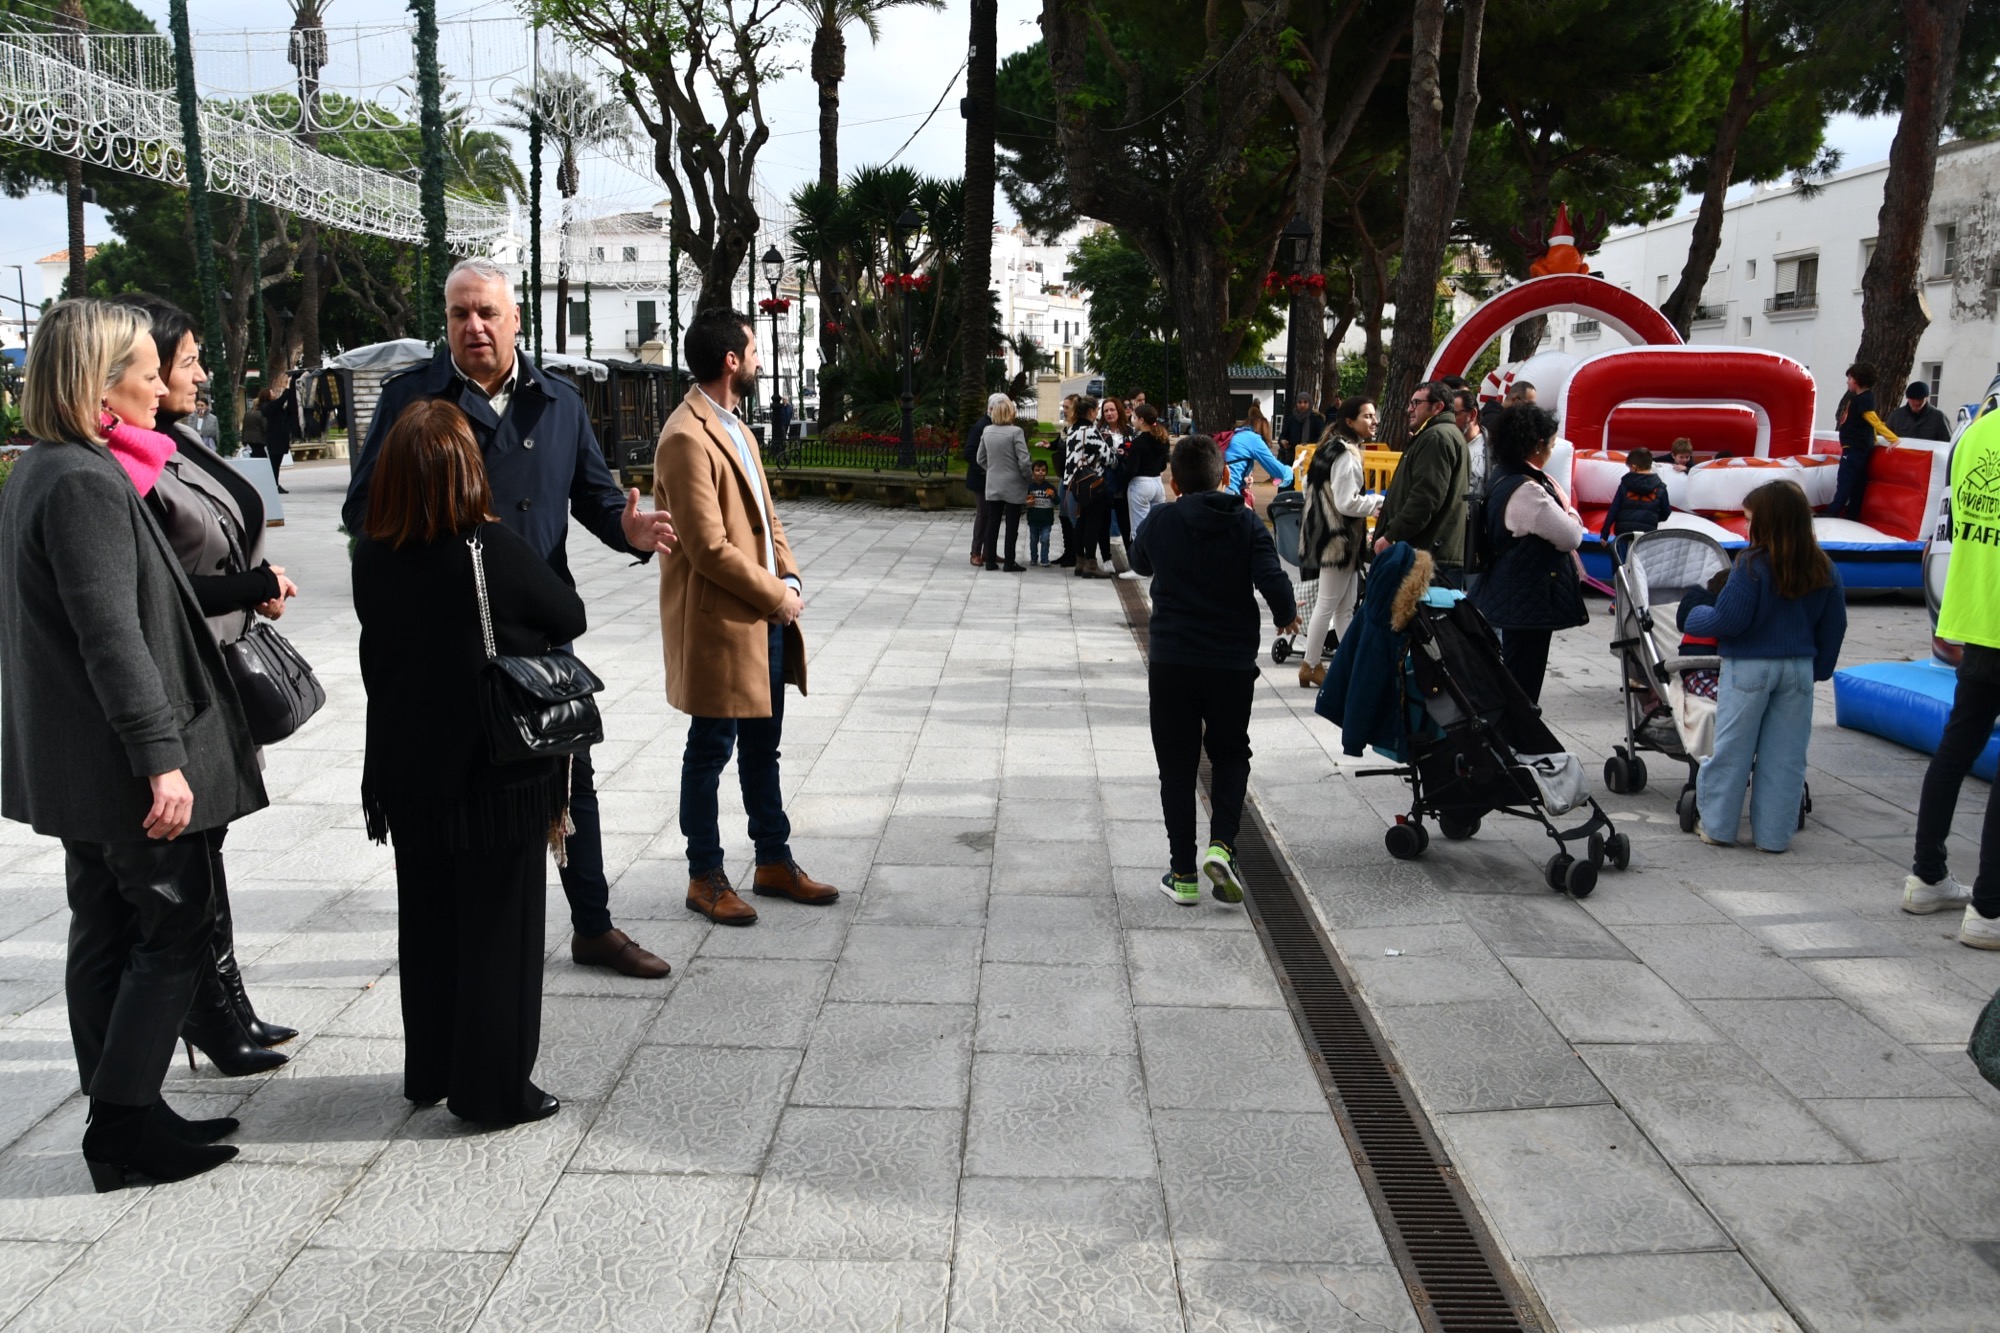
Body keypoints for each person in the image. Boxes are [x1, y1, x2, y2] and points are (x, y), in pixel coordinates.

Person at [343, 258, 678, 980]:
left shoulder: (558, 402)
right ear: (446, 322)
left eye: (488, 312)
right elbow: (364, 508)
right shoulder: (411, 398)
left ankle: (594, 925)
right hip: (446, 640)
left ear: (515, 319)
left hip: (534, 634)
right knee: (459, 790)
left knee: (568, 777)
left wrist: (630, 533)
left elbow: (595, 496)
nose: (474, 326)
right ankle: (469, 937)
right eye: (460, 313)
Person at [1, 299, 267, 1189]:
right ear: (98, 383)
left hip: (81, 761)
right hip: (116, 764)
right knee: (175, 924)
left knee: (107, 927)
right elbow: (110, 635)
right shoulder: (80, 480)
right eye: (147, 373)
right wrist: (161, 757)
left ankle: (127, 1106)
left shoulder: (45, 468)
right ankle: (121, 1125)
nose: (161, 388)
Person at [355, 399, 581, 1125]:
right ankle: (492, 1088)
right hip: (492, 771)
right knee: (497, 928)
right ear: (466, 471)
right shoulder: (490, 547)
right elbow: (568, 614)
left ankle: (433, 1067)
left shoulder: (372, 556)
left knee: (427, 922)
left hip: (407, 768)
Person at [113, 293, 298, 1076]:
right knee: (191, 854)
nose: (193, 376)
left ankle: (227, 1002)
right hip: (180, 675)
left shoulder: (172, 440)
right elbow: (157, 587)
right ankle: (209, 1013)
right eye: (183, 362)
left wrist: (254, 585)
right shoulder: (126, 464)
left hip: (218, 659)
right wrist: (251, 583)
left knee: (211, 842)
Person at [655, 308, 839, 927]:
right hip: (723, 624)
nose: (760, 359)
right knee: (710, 750)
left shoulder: (737, 428)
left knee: (764, 748)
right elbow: (707, 548)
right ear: (732, 360)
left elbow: (767, 518)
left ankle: (773, 861)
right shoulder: (685, 436)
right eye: (754, 350)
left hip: (764, 616)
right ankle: (704, 875)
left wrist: (790, 576)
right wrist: (774, 595)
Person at [1130, 434, 1297, 906]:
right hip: (1230, 662)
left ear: (1175, 484)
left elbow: (1140, 563)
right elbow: (1272, 578)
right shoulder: (1246, 521)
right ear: (1225, 476)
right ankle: (1222, 845)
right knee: (1230, 753)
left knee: (1176, 766)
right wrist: (1286, 614)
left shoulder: (1162, 519)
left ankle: (1183, 873)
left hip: (1173, 660)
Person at [1684, 480, 1847, 853]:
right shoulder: (1824, 567)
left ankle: (1718, 827)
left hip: (1749, 668)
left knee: (1733, 750)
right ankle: (1774, 837)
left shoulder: (1751, 564)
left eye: (1750, 519)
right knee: (1786, 757)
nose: (1746, 526)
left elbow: (1729, 620)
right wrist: (1819, 669)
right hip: (1799, 669)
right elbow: (1835, 626)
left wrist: (1694, 615)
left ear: (1768, 521)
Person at [1904, 408, 2000, 946]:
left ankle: (1927, 876)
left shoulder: (1976, 432)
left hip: (1975, 615)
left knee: (1955, 750)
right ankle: (1990, 909)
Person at [1472, 405, 1589, 702]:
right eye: (1551, 443)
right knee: (1523, 680)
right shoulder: (1528, 491)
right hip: (1528, 596)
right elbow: (1571, 535)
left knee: (1517, 671)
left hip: (1515, 591)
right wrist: (1572, 513)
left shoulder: (1504, 475)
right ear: (1538, 445)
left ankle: (1516, 727)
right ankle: (1518, 730)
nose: (1551, 450)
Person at [1296, 397, 1382, 689]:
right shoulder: (1346, 453)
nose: (1374, 421)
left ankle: (1348, 666)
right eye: (1367, 416)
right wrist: (1377, 501)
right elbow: (1347, 503)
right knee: (1329, 605)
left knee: (1342, 608)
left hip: (1331, 537)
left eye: (1374, 415)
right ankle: (1311, 664)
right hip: (1339, 539)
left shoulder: (1330, 448)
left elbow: (1312, 489)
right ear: (1350, 421)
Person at [1373, 381, 1470, 584]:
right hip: (1431, 553)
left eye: (1416, 403)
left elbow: (1425, 498)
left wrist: (1392, 534)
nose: (1409, 409)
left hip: (1429, 556)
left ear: (1438, 407)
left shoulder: (1436, 437)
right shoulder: (1438, 434)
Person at [1829, 362, 1899, 521]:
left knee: (1845, 479)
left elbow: (1874, 421)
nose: (1847, 381)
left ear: (1857, 380)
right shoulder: (1861, 399)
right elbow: (1868, 424)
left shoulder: (1863, 400)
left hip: (1854, 448)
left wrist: (1892, 438)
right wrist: (1873, 439)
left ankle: (1834, 511)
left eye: (1850, 378)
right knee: (1857, 482)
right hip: (1858, 447)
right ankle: (1852, 513)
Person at [1061, 395, 1117, 579]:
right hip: (1092, 484)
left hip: (1075, 483)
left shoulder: (1073, 429)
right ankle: (1091, 564)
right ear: (1091, 411)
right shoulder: (1090, 431)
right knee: (1093, 524)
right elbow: (1109, 458)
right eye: (1097, 410)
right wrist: (1117, 456)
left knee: (1081, 522)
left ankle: (1080, 561)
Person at [978, 392, 1031, 572]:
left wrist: (992, 469)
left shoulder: (987, 431)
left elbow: (980, 458)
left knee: (993, 522)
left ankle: (990, 560)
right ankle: (1009, 561)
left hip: (993, 482)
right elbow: (1024, 460)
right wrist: (1027, 477)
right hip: (1013, 483)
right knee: (1012, 524)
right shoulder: (1016, 432)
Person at [1600, 447, 1674, 544]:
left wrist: (1605, 533)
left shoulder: (1625, 485)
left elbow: (1614, 510)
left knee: (1622, 553)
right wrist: (1653, 518)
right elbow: (1666, 512)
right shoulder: (1660, 487)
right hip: (1647, 532)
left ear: (1634, 467)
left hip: (1624, 531)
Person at [1124, 404, 1171, 541]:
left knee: (1139, 529)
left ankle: (1140, 554)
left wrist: (1123, 482)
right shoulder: (1162, 439)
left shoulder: (1138, 442)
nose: (1132, 420)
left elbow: (1132, 469)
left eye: (1134, 417)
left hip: (1141, 484)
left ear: (1141, 420)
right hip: (1157, 483)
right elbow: (1163, 465)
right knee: (1156, 527)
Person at [1100, 395, 1132, 565]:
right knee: (1104, 522)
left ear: (1118, 411)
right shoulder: (1099, 433)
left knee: (1125, 524)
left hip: (1124, 483)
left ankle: (1133, 559)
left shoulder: (1130, 432)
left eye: (1112, 410)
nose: (1109, 413)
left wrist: (1125, 454)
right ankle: (1106, 559)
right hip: (1104, 483)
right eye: (1106, 411)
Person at [256, 371, 298, 493]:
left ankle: (275, 484)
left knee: (276, 464)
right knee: (274, 464)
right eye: (272, 393)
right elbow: (282, 399)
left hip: (279, 439)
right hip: (275, 440)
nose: (274, 394)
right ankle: (274, 485)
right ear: (267, 396)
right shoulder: (268, 407)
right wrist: (288, 385)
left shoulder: (272, 407)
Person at [963, 404, 993, 567]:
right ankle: (975, 552)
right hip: (981, 479)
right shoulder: (981, 426)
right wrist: (984, 470)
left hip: (992, 479)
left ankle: (988, 551)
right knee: (983, 514)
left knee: (991, 515)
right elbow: (969, 452)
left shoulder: (993, 425)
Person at [1886, 380, 1952, 442]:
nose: (1917, 403)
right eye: (1913, 399)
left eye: (1920, 399)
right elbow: (1885, 439)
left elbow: (1948, 443)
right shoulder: (1896, 416)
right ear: (1907, 398)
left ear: (1926, 398)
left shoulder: (1939, 417)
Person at [1024, 461, 1059, 565]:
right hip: (1033, 519)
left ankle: (1044, 559)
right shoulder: (1030, 487)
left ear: (1046, 472)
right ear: (1033, 472)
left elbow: (1057, 502)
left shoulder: (1050, 487)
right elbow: (1023, 502)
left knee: (1045, 539)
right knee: (1033, 540)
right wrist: (1027, 502)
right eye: (1037, 470)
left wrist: (1053, 496)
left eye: (1043, 470)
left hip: (1046, 520)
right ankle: (1034, 558)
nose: (1040, 472)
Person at [1279, 394, 1326, 466]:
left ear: (1310, 403)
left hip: (1311, 457)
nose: (1302, 405)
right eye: (1299, 402)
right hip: (1293, 457)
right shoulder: (1291, 419)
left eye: (1305, 402)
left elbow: (1322, 438)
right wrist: (1283, 441)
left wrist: (1307, 445)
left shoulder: (1316, 419)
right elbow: (1283, 435)